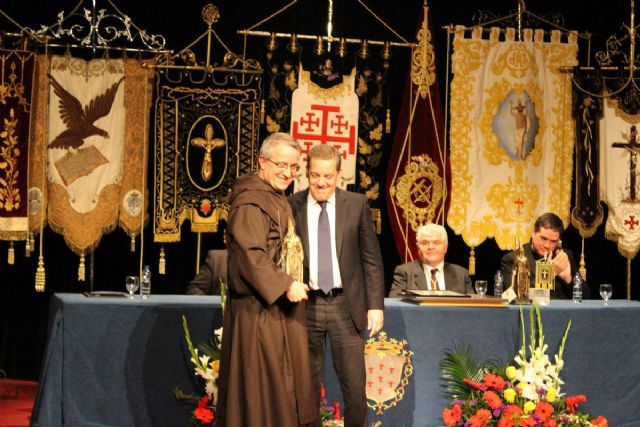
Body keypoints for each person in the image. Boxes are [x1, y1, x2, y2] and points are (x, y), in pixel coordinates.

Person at [216, 133, 318, 427]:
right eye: (281, 165)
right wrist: (285, 284)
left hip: (276, 309)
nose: (287, 173)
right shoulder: (251, 202)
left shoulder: (275, 198)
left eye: (293, 167)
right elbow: (252, 255)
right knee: (263, 392)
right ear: (262, 162)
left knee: (280, 390)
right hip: (258, 313)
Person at [289, 144, 385, 427]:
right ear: (306, 173)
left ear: (339, 175)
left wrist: (375, 306)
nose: (321, 182)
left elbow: (372, 260)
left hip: (347, 306)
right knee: (305, 389)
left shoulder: (356, 205)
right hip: (306, 306)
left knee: (355, 389)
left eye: (328, 176)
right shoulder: (291, 205)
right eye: (315, 175)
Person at [501, 212, 590, 299]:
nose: (547, 245)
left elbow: (586, 297)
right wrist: (550, 273)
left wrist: (569, 279)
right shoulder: (513, 259)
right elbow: (513, 296)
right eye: (543, 238)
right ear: (533, 234)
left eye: (553, 241)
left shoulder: (564, 256)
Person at [388, 223, 473, 297]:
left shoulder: (461, 274)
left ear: (445, 248)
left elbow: (473, 307)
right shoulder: (404, 273)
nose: (430, 247)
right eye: (425, 243)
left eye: (436, 243)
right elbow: (395, 303)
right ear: (418, 248)